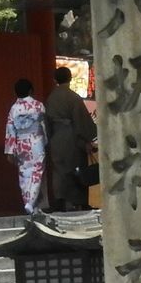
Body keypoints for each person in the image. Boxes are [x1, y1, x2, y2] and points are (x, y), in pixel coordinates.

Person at [43, 66, 97, 213]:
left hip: (56, 137)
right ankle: (78, 202)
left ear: (55, 80)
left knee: (59, 170)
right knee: (76, 168)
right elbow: (81, 121)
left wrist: (49, 139)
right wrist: (88, 139)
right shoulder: (73, 97)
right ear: (70, 78)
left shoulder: (51, 98)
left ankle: (59, 201)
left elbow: (47, 121)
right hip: (72, 136)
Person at [3, 78, 48, 216]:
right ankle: (30, 203)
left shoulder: (14, 108)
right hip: (36, 141)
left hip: (21, 142)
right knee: (37, 172)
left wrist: (10, 150)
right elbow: (43, 125)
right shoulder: (38, 105)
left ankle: (30, 205)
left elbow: (10, 130)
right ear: (30, 91)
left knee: (24, 174)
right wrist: (45, 140)